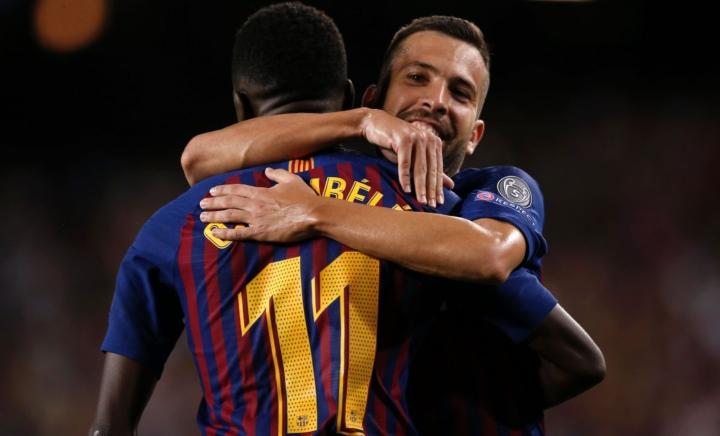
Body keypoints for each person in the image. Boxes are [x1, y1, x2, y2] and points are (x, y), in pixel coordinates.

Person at [182, 13, 605, 435]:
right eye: (417, 78)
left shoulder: (491, 190)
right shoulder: (337, 179)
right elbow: (200, 159)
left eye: (460, 92)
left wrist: (314, 213)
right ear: (374, 98)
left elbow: (489, 256)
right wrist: (359, 121)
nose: (437, 100)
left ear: (475, 135)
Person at [89, 4, 478, 435]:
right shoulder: (429, 204)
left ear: (241, 106)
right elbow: (537, 350)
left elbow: (108, 427)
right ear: (349, 97)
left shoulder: (172, 226)